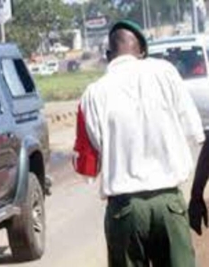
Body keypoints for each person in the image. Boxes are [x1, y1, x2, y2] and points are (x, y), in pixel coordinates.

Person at [73, 20, 204, 267]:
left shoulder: (93, 93)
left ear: (109, 55)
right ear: (142, 52)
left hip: (125, 211)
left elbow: (86, 167)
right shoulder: (166, 73)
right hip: (169, 205)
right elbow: (195, 131)